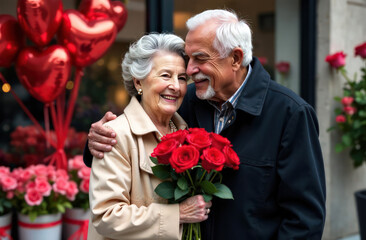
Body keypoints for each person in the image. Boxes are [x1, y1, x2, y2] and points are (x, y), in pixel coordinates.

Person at [85, 9, 326, 239]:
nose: (189, 71)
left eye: (199, 58)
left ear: (235, 58)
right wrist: (98, 140)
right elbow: (134, 139)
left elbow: (304, 219)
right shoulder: (186, 102)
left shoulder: (290, 113)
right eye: (188, 59)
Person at [87, 33, 212, 240]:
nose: (175, 86)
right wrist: (178, 214)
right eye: (165, 75)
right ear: (138, 82)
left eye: (181, 78)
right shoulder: (116, 134)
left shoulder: (185, 131)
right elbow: (106, 216)